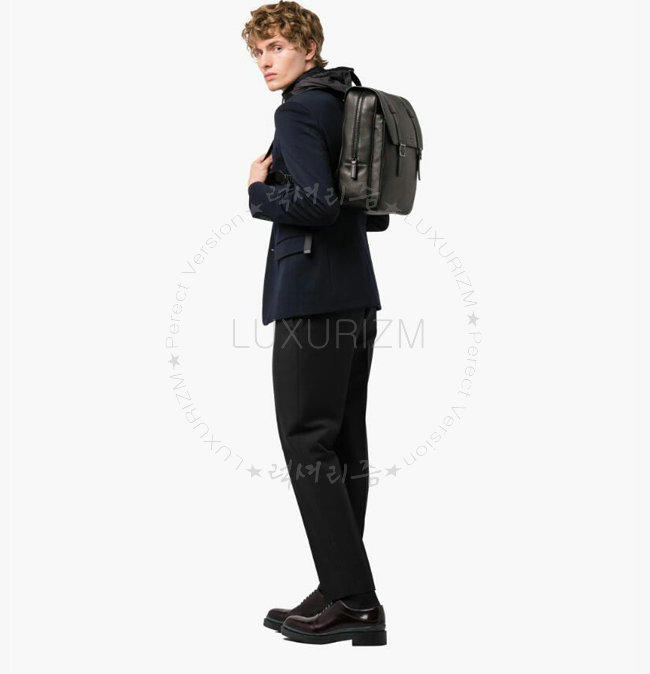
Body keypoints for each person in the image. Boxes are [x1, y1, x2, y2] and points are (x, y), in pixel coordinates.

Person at [242, 1, 389, 646]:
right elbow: (372, 211)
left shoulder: (299, 111)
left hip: (312, 300)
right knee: (343, 445)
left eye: (276, 47)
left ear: (308, 48)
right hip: (356, 296)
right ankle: (340, 589)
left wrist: (257, 191)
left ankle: (354, 598)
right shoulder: (349, 103)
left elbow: (319, 205)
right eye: (258, 52)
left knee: (307, 442)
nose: (265, 62)